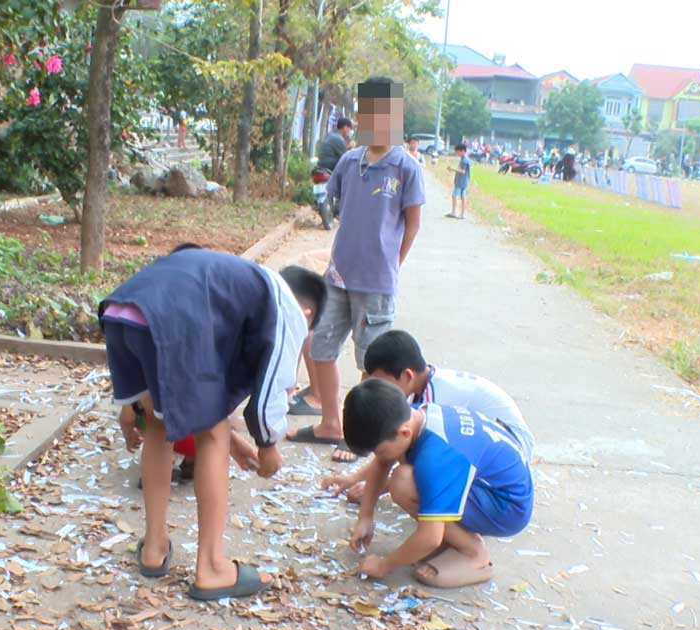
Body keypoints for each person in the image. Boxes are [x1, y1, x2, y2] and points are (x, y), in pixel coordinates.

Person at [101, 244, 326, 601]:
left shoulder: (238, 288)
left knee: (160, 428)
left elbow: (194, 397)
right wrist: (268, 447)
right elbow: (269, 393)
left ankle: (154, 547)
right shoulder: (288, 311)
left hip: (124, 308)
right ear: (308, 312)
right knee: (213, 437)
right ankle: (211, 567)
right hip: (171, 319)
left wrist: (238, 443)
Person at [288, 76, 425, 452]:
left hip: (377, 282)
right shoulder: (350, 162)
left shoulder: (406, 168)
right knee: (321, 347)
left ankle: (364, 436)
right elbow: (334, 205)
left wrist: (392, 264)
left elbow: (412, 224)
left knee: (373, 363)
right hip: (338, 277)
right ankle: (332, 423)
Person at [341, 379, 534, 588]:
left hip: (506, 508)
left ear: (404, 433)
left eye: (378, 450)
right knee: (405, 470)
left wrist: (384, 565)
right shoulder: (411, 414)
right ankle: (455, 537)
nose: (378, 456)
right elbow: (382, 461)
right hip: (492, 484)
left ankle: (474, 553)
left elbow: (430, 538)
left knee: (402, 482)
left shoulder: (437, 457)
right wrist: (365, 515)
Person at [324, 330, 535, 500]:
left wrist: (381, 487)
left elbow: (419, 458)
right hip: (495, 447)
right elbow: (388, 452)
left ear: (407, 375)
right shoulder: (421, 386)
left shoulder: (436, 398)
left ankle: (461, 540)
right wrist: (354, 479)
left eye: (382, 381)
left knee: (410, 469)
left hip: (512, 455)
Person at [447, 143, 471, 219]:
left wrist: (452, 169)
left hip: (461, 181)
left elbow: (463, 171)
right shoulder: (465, 159)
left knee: (455, 196)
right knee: (462, 197)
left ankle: (454, 212)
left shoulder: (464, 160)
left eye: (458, 152)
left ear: (463, 151)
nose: (457, 153)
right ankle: (461, 213)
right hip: (463, 181)